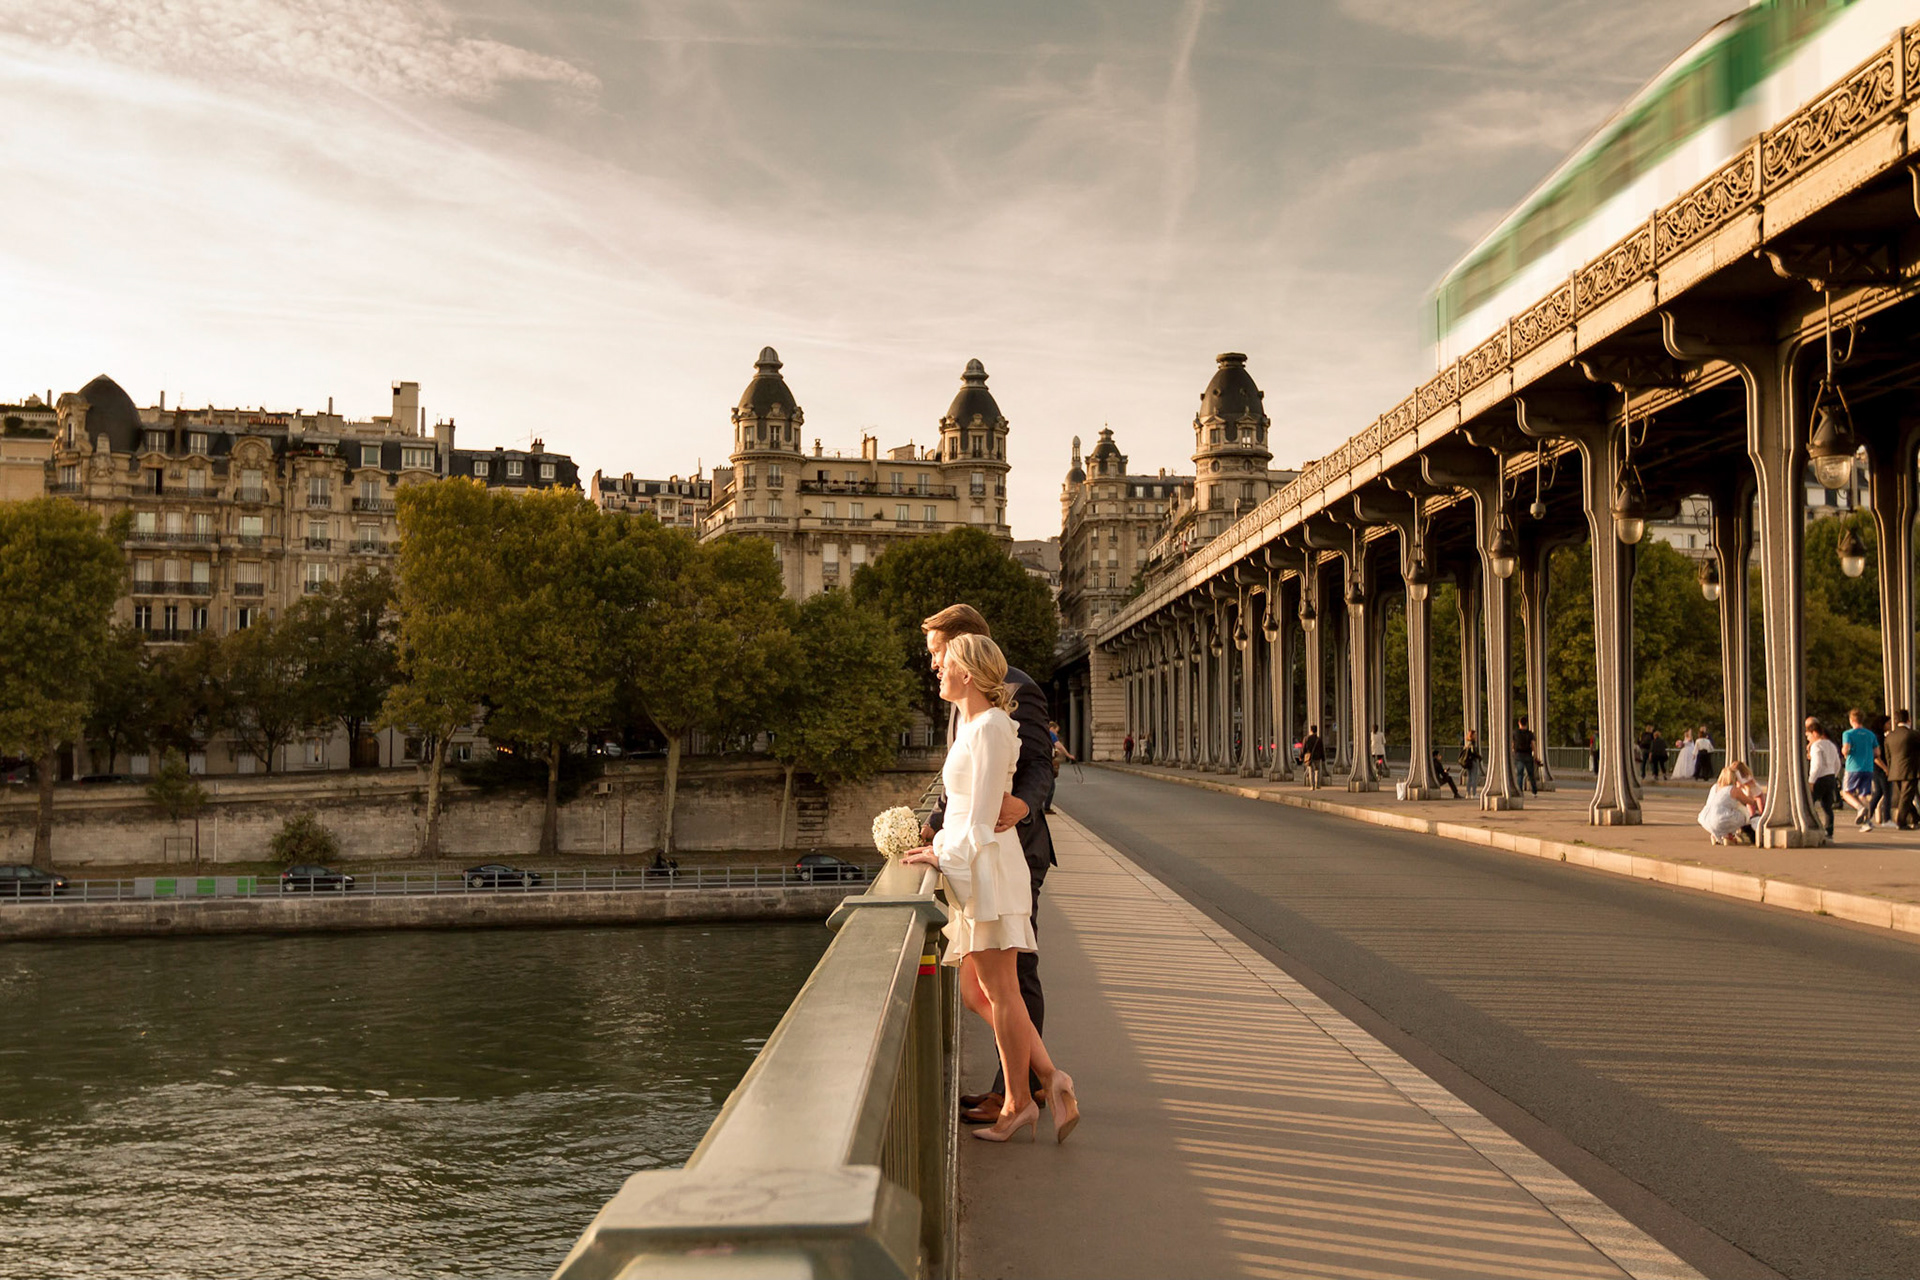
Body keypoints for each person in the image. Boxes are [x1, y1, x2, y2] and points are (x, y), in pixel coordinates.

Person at [903, 632, 1079, 1144]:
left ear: (968, 673)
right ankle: (1049, 1080)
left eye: (944, 662)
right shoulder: (978, 725)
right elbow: (961, 809)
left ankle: (1021, 1103)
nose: (936, 669)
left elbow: (980, 819)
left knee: (1000, 991)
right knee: (984, 989)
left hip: (987, 869)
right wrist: (938, 843)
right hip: (980, 868)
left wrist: (940, 854)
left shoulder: (990, 730)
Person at [1698, 764, 1762, 845]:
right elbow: (1750, 802)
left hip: (1706, 818)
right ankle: (1728, 836)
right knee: (1744, 814)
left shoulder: (1715, 787)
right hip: (1720, 818)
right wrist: (1747, 787)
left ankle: (1716, 835)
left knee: (1729, 810)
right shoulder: (1733, 789)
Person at [1840, 708, 1879, 832]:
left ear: (1851, 720)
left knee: (1845, 792)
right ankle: (1867, 822)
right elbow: (1877, 752)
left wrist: (1845, 753)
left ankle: (1859, 809)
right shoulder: (1870, 734)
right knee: (1863, 795)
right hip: (1868, 767)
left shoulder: (1848, 734)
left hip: (1853, 767)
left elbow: (1846, 749)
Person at [1806, 717, 1842, 839]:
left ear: (1814, 733)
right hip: (1831, 777)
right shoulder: (1831, 745)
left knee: (1809, 803)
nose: (1808, 739)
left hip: (1820, 778)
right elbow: (1837, 763)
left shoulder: (1816, 746)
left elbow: (1817, 765)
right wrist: (1834, 775)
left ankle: (1813, 825)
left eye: (1809, 736)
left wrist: (1811, 780)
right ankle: (1829, 829)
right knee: (1827, 806)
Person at [1885, 709, 1920, 829]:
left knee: (1905, 797)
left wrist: (1890, 769)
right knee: (1906, 797)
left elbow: (1888, 756)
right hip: (1911, 770)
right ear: (1908, 720)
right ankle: (1900, 821)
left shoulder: (1890, 736)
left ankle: (1915, 818)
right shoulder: (1914, 735)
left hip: (1895, 771)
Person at [1512, 715, 1540, 796]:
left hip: (1518, 755)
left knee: (1519, 774)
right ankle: (1534, 791)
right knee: (1531, 774)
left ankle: (1520, 791)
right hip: (1527, 754)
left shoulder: (1515, 733)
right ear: (1526, 724)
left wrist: (1513, 752)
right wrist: (1535, 756)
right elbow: (1533, 745)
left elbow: (1512, 745)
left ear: (1519, 723)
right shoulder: (1530, 733)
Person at [1302, 724, 1325, 790]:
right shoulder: (1319, 739)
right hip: (1318, 757)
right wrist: (1323, 758)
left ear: (1311, 730)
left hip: (1310, 757)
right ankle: (1318, 785)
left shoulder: (1306, 738)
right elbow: (1322, 749)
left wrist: (1301, 756)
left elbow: (1304, 748)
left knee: (1311, 771)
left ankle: (1312, 786)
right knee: (1318, 770)